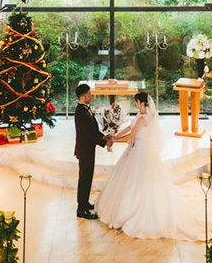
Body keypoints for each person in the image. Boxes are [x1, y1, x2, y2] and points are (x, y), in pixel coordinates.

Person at [95, 91, 203, 240]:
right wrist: (115, 135)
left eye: (136, 102)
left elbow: (131, 135)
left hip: (141, 151)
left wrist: (114, 140)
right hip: (134, 148)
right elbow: (128, 129)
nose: (134, 104)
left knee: (139, 182)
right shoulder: (139, 116)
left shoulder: (144, 118)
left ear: (141, 103)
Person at [74, 83, 112, 219]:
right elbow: (90, 134)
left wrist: (104, 136)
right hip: (84, 150)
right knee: (84, 178)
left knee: (88, 177)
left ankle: (84, 203)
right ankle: (81, 208)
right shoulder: (81, 112)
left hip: (89, 149)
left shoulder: (86, 109)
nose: (91, 95)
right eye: (89, 94)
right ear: (82, 97)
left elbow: (94, 130)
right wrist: (105, 142)